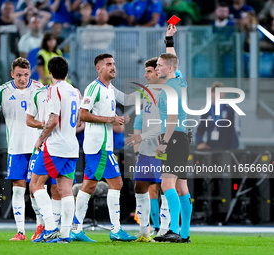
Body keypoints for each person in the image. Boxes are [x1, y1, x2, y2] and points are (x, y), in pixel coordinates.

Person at [126, 33, 192, 243]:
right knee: (182, 188)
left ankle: (172, 229)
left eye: (160, 66)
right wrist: (169, 40)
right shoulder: (179, 81)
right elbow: (172, 58)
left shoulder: (170, 89)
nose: (158, 68)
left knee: (166, 185)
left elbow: (171, 119)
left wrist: (163, 143)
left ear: (169, 69)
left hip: (173, 137)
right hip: (182, 137)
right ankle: (185, 234)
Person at [70, 53, 136, 242]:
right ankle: (116, 229)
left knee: (88, 186)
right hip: (99, 146)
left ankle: (76, 229)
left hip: (99, 145)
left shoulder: (110, 88)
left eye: (114, 63)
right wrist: (111, 119)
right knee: (117, 184)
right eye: (108, 64)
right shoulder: (93, 88)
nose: (113, 67)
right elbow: (83, 114)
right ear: (98, 69)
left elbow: (128, 99)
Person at [0, 57, 44, 241]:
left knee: (37, 189)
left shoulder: (39, 88)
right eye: (18, 75)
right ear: (12, 74)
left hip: (37, 147)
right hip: (16, 148)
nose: (22, 79)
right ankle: (20, 232)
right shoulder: (2, 91)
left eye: (25, 75)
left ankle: (40, 229)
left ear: (30, 74)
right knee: (18, 189)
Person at [30, 56, 82, 243]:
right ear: (66, 73)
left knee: (35, 184)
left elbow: (52, 120)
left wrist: (40, 138)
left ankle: (51, 228)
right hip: (72, 147)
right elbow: (78, 121)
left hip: (55, 147)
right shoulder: (75, 91)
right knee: (65, 188)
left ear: (49, 73)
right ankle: (66, 234)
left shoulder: (53, 90)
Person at [25, 85, 62, 241]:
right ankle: (42, 224)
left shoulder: (66, 92)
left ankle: (54, 227)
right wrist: (44, 125)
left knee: (57, 187)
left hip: (58, 146)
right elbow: (28, 120)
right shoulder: (38, 94)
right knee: (33, 187)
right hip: (41, 147)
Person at [196, 82, 240, 150]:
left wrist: (233, 149)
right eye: (215, 92)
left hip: (227, 149)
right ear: (211, 93)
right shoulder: (205, 110)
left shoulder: (230, 110)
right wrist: (200, 142)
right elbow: (199, 130)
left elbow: (234, 131)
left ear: (224, 94)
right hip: (210, 148)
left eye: (220, 92)